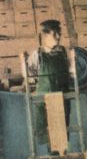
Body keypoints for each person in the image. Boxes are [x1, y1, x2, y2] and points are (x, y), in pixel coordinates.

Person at [20, 19, 75, 147]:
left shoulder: (64, 52)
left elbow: (72, 73)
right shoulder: (37, 54)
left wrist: (74, 60)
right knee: (47, 136)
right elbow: (29, 76)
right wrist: (23, 62)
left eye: (59, 33)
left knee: (61, 136)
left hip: (62, 98)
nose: (58, 36)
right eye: (55, 33)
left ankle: (61, 155)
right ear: (45, 35)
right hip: (44, 101)